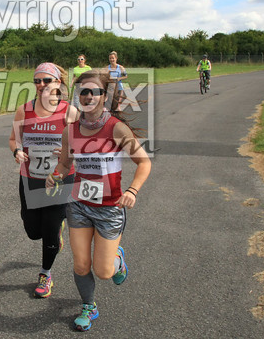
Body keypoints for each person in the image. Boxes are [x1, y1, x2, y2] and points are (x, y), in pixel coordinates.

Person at [47, 69, 151, 331]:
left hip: (110, 208)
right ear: (77, 96)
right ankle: (88, 306)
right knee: (81, 264)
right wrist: (56, 174)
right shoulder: (70, 131)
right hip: (79, 206)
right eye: (83, 91)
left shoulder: (115, 128)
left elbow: (143, 162)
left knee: (104, 271)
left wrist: (133, 190)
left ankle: (117, 261)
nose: (89, 95)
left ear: (104, 97)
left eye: (95, 91)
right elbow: (64, 163)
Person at [9, 62, 79, 298]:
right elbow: (13, 140)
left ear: (58, 83)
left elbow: (85, 144)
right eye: (37, 80)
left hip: (60, 179)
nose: (41, 85)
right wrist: (16, 151)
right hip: (30, 178)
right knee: (32, 231)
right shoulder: (24, 110)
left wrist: (72, 152)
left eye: (46, 80)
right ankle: (52, 234)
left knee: (49, 231)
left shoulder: (70, 112)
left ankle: (45, 273)